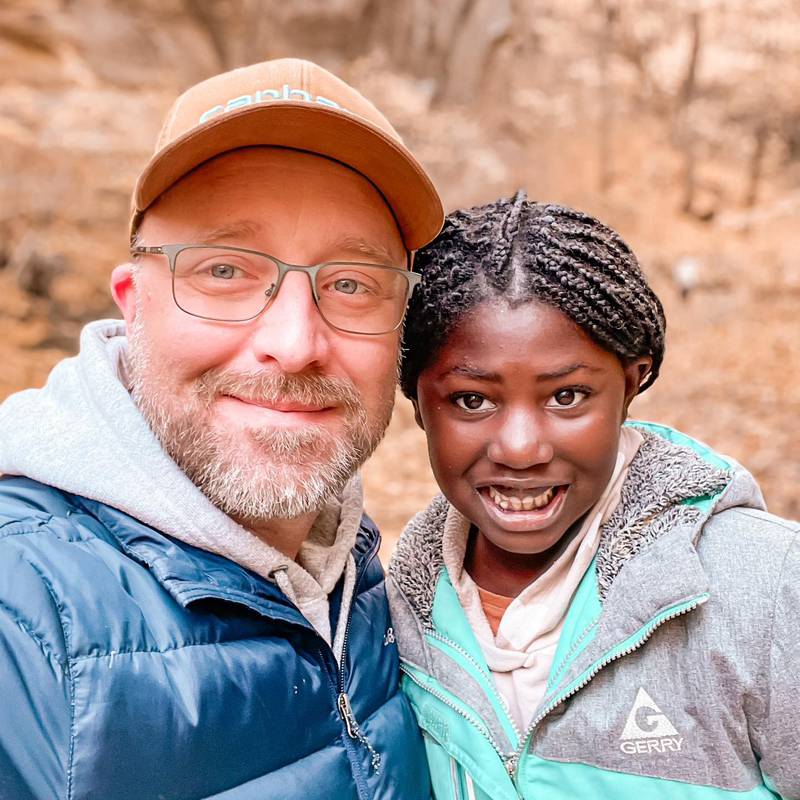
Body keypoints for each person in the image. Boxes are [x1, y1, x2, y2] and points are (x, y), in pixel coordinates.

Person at [0, 58, 443, 799]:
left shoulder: (367, 583)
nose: (295, 341)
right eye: (226, 271)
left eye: (351, 284)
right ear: (133, 303)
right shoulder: (21, 618)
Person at [388, 192, 800, 799]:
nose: (521, 448)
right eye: (472, 400)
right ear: (419, 404)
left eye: (567, 397)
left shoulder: (768, 590)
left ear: (631, 385)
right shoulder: (390, 622)